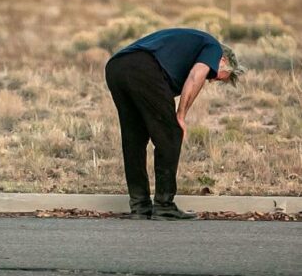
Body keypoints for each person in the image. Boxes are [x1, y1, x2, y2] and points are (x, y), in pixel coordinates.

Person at [105, 28, 245, 220]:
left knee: (134, 139)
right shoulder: (213, 47)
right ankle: (164, 206)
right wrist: (180, 115)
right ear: (223, 61)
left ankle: (140, 207)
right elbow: (196, 76)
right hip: (142, 67)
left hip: (116, 67)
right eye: (217, 76)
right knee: (171, 134)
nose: (212, 80)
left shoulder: (188, 49)